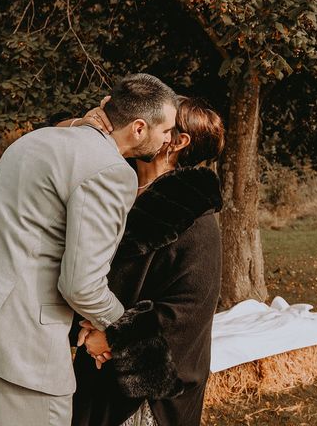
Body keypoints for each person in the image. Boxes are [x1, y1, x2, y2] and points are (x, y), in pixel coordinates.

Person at [0, 73, 180, 426]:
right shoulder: (112, 173)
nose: (169, 140)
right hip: (20, 347)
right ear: (138, 128)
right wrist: (114, 330)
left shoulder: (37, 140)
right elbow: (82, 285)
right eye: (166, 130)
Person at [71, 97, 225, 426]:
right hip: (95, 373)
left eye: (163, 121)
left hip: (147, 396)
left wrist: (112, 337)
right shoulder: (116, 188)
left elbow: (189, 310)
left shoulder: (195, 218)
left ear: (177, 141)